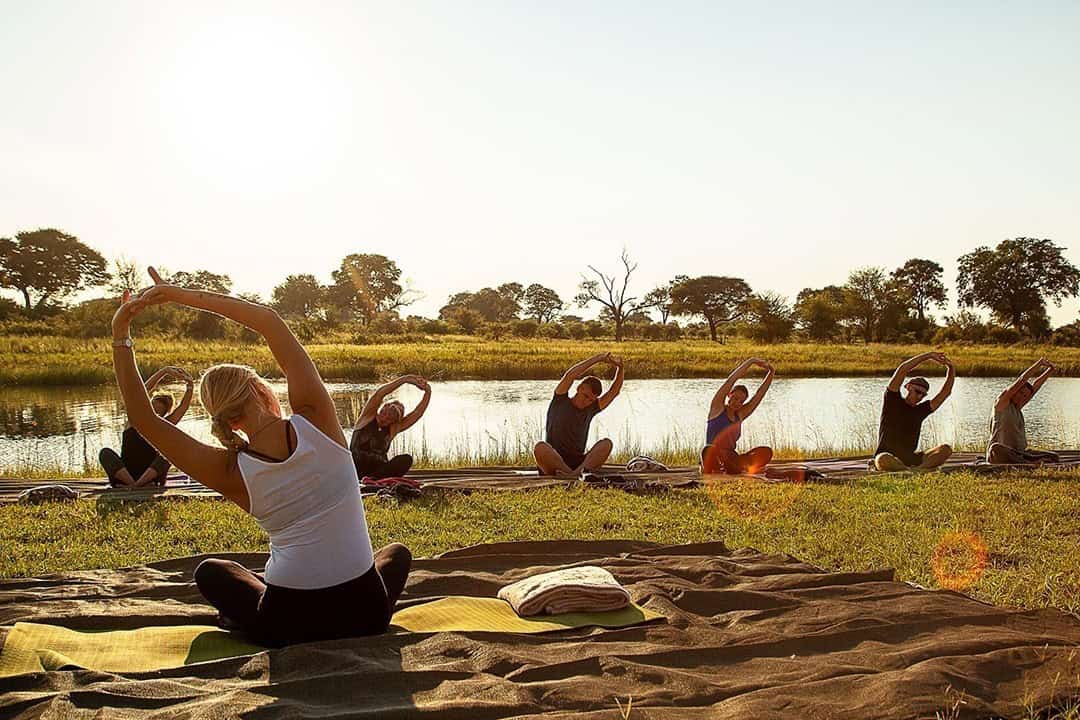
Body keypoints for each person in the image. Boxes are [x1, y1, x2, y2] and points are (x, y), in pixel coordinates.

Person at [110, 269, 411, 647]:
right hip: (366, 613)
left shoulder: (230, 469)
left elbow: (143, 419)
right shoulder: (315, 418)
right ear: (260, 389)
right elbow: (268, 321)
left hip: (286, 623)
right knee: (396, 554)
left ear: (225, 418)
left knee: (212, 572)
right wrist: (179, 294)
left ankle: (248, 619)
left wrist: (121, 334)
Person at [99, 366, 194, 488]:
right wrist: (163, 372)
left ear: (164, 414)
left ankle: (137, 484)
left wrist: (190, 385)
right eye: (152, 410)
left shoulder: (164, 426)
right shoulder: (134, 420)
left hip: (150, 477)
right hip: (125, 475)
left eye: (158, 413)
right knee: (105, 453)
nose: (153, 415)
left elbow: (183, 408)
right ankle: (133, 484)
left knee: (168, 455)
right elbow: (141, 392)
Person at [534, 352, 624, 476]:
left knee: (606, 444)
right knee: (540, 448)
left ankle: (572, 475)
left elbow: (614, 392)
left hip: (579, 463)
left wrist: (621, 368)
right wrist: (598, 358)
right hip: (554, 461)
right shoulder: (560, 399)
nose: (586, 401)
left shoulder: (591, 409)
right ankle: (575, 476)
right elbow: (570, 375)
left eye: (591, 400)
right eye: (585, 396)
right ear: (579, 388)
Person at [873, 352, 955, 471]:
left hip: (911, 459)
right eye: (917, 392)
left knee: (946, 449)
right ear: (908, 387)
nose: (920, 397)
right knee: (882, 459)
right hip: (888, 456)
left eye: (923, 395)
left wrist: (951, 367)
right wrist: (929, 356)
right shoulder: (892, 400)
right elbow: (903, 369)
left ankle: (917, 470)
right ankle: (910, 470)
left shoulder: (921, 410)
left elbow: (945, 393)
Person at [702, 358, 775, 474]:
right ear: (729, 395)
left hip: (731, 458)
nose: (737, 403)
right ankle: (726, 468)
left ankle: (734, 467)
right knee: (708, 450)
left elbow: (759, 394)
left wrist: (771, 373)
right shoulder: (717, 408)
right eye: (735, 398)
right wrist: (751, 361)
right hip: (714, 455)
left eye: (741, 401)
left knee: (766, 452)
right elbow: (731, 380)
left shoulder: (740, 415)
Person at [351, 375, 431, 479]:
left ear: (394, 421)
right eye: (385, 413)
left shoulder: (393, 429)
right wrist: (405, 379)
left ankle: (372, 480)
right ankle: (368, 480)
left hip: (378, 473)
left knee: (406, 460)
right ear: (382, 408)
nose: (385, 418)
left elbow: (417, 413)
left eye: (390, 418)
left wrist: (428, 393)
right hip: (356, 469)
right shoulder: (367, 418)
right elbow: (380, 394)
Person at [987, 358, 1059, 465]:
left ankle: (1027, 461)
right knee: (995, 448)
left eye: (1025, 396)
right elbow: (1022, 380)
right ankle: (1029, 463)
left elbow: (1035, 387)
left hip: (1019, 453)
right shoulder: (1002, 402)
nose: (1022, 397)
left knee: (1054, 457)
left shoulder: (1018, 407)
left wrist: (1050, 371)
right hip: (1000, 454)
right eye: (1020, 393)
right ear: (1015, 391)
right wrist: (1039, 364)